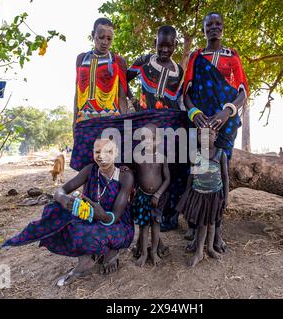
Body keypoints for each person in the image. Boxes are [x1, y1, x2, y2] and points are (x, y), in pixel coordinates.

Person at [2, 137, 134, 286]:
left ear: (116, 153)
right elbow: (60, 191)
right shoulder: (90, 170)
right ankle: (86, 260)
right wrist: (63, 198)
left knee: (90, 234)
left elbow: (115, 217)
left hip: (117, 224)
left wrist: (101, 214)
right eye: (98, 152)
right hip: (90, 218)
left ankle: (111, 252)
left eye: (108, 152)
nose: (102, 156)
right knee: (55, 211)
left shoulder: (125, 176)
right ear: (92, 153)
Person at [182, 12, 249, 253]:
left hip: (225, 124)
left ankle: (216, 230)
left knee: (218, 177)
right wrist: (194, 113)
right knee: (197, 173)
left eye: (217, 24)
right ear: (203, 29)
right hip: (199, 125)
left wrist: (227, 112)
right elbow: (186, 93)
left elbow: (242, 92)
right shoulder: (196, 57)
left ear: (223, 27)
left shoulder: (233, 56)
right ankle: (195, 226)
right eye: (208, 24)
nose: (213, 27)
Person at [127, 25, 188, 233]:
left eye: (168, 46)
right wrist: (134, 102)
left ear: (175, 45)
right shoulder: (144, 62)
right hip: (145, 127)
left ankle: (167, 216)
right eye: (160, 45)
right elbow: (124, 80)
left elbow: (179, 99)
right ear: (155, 42)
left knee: (169, 171)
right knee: (142, 170)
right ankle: (141, 213)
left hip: (170, 131)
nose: (164, 49)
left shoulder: (178, 71)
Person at [70, 17, 128, 171]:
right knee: (86, 167)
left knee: (108, 166)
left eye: (109, 38)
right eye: (101, 37)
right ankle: (87, 196)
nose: (105, 42)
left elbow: (122, 97)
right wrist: (74, 122)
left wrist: (123, 125)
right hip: (84, 122)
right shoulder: (81, 59)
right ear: (92, 35)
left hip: (110, 122)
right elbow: (77, 93)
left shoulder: (118, 62)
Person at [176, 128, 229, 267]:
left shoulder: (220, 154)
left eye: (209, 134)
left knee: (212, 222)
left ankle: (210, 248)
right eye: (201, 134)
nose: (205, 137)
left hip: (215, 194)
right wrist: (187, 192)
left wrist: (226, 197)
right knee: (202, 223)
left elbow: (225, 176)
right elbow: (192, 174)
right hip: (199, 193)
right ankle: (199, 252)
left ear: (216, 136)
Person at [131, 124, 170, 266]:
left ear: (158, 140)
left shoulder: (162, 157)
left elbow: (167, 179)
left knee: (155, 225)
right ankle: (144, 253)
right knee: (143, 226)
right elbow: (132, 174)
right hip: (142, 197)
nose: (148, 141)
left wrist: (158, 194)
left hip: (157, 198)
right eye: (144, 138)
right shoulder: (137, 157)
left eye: (152, 138)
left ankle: (154, 252)